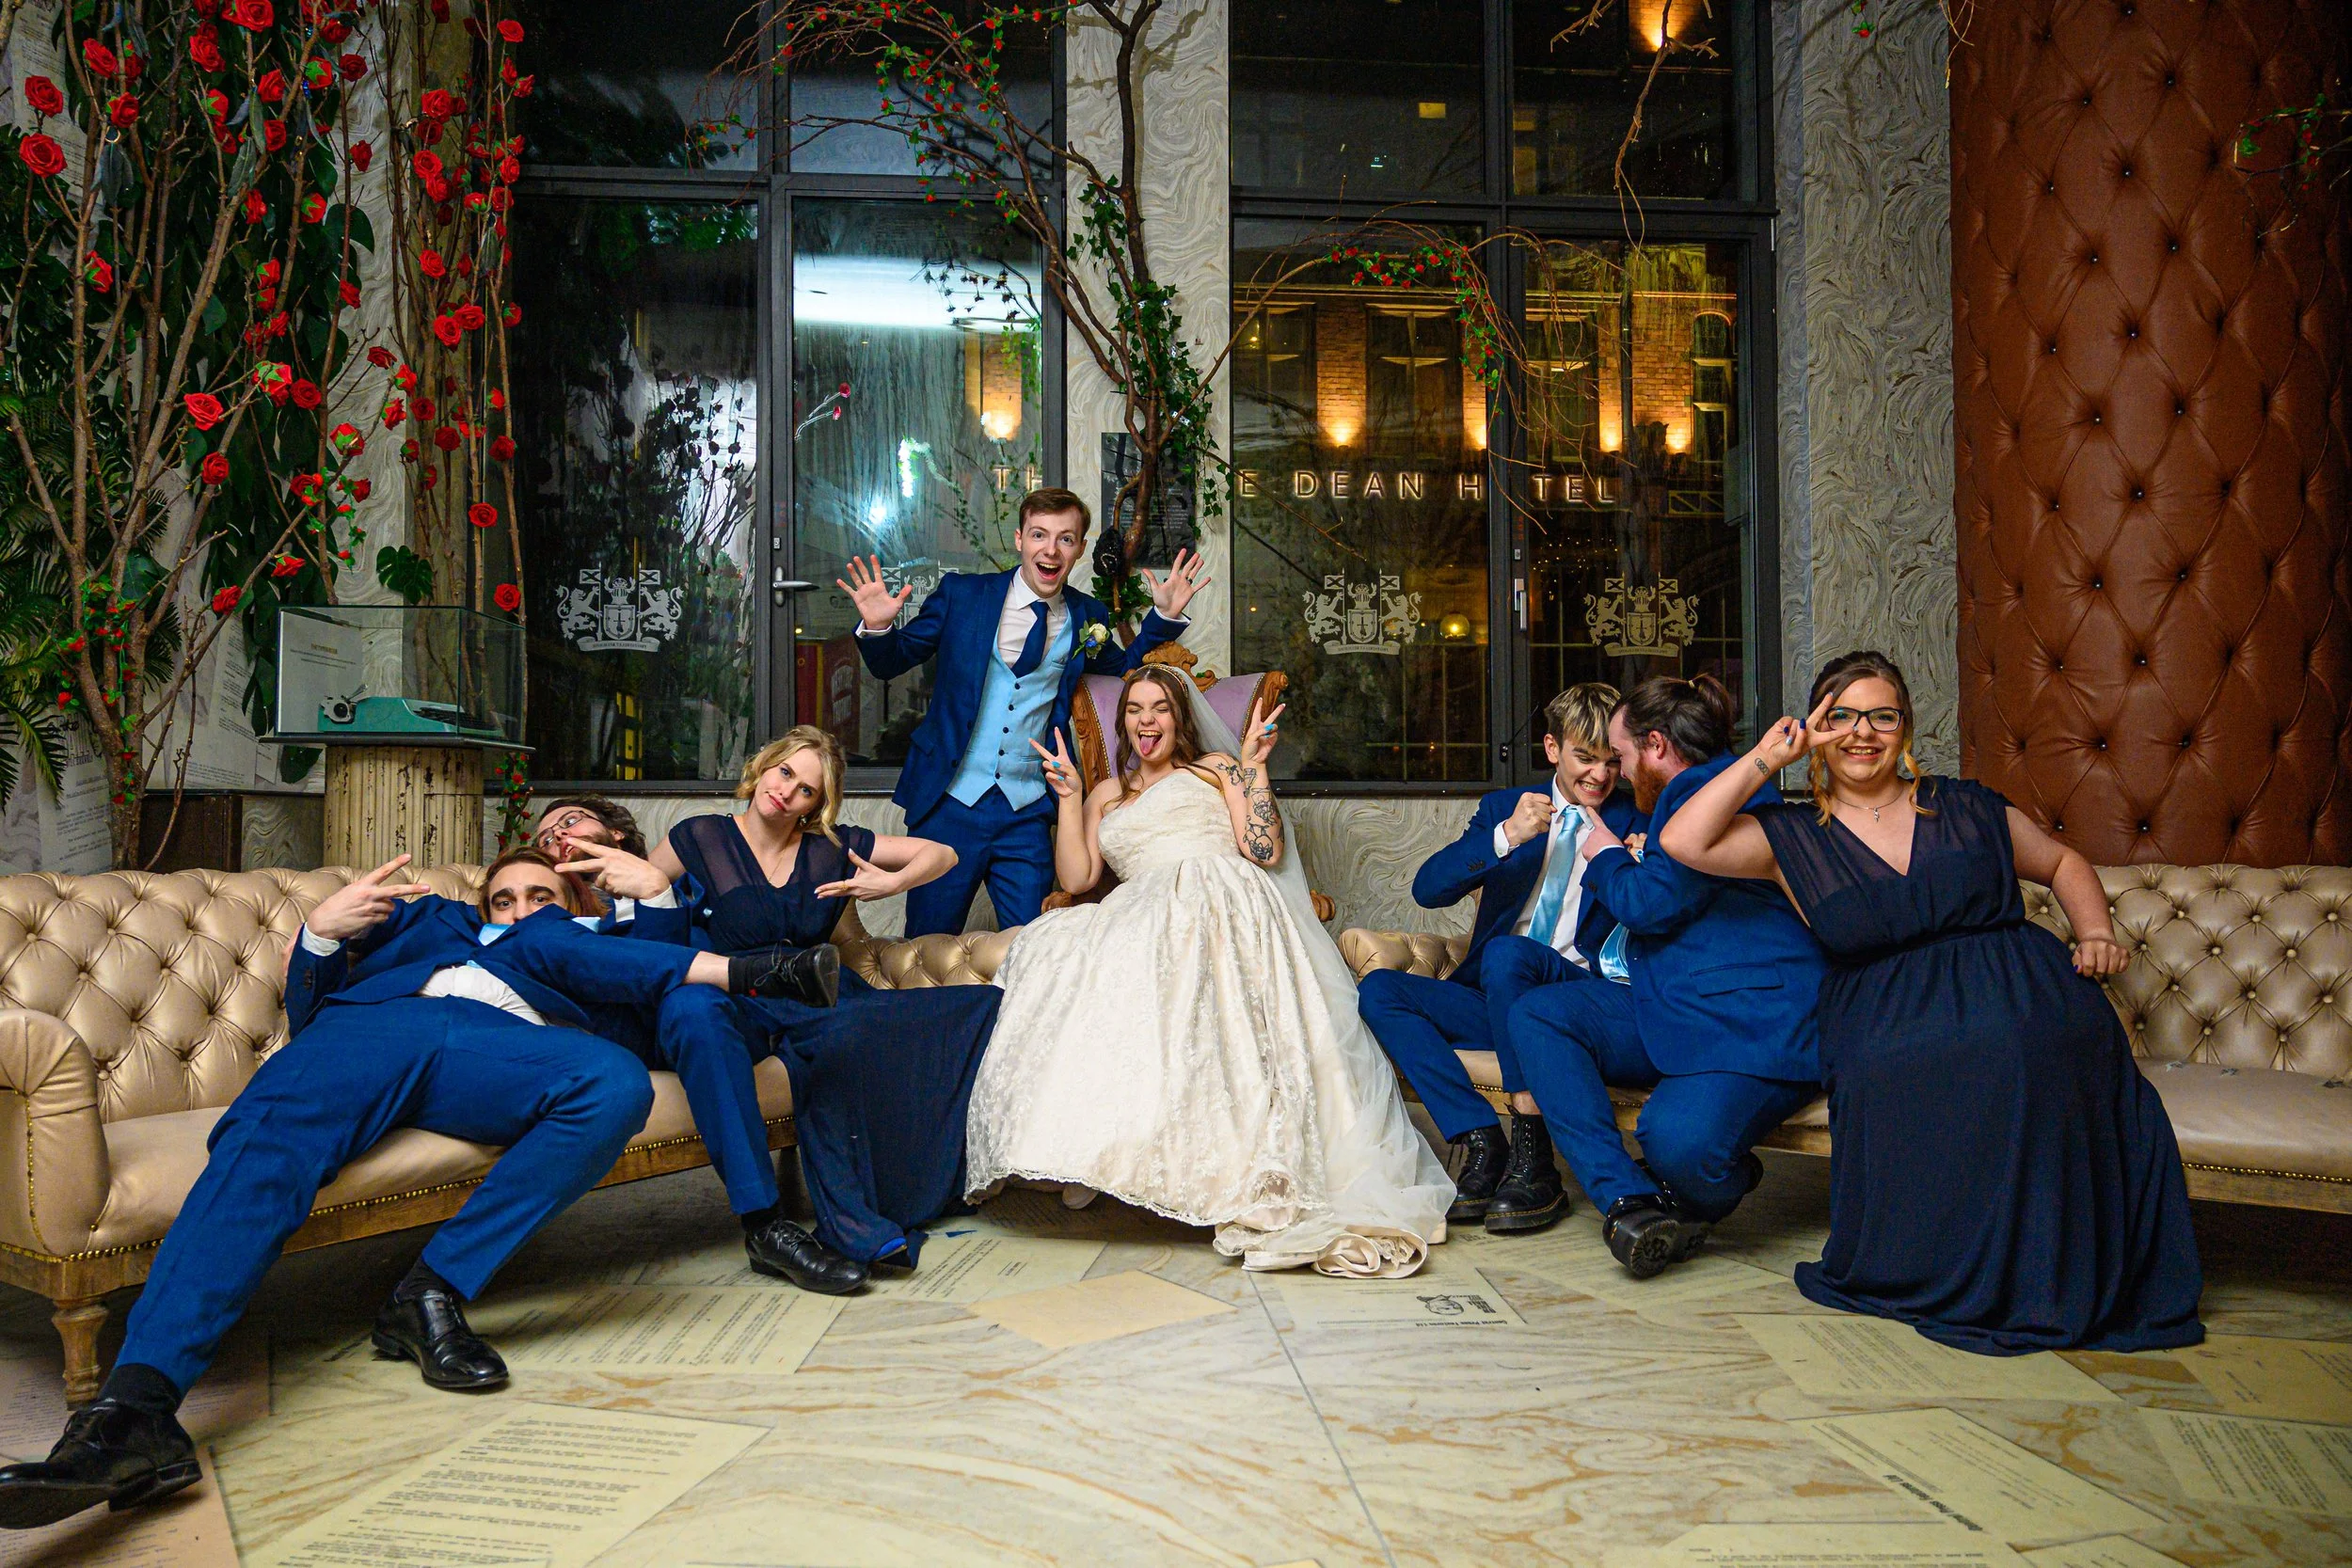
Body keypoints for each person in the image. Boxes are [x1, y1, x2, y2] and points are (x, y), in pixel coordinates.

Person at [0, 849, 793, 1530]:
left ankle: (429, 1290)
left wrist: (652, 893)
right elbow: (309, 1013)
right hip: (374, 1028)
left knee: (614, 1083)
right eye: (504, 898)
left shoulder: (586, 944)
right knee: (268, 1141)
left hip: (506, 1050)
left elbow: (653, 992)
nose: (520, 909)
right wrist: (320, 932)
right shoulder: (425, 924)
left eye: (541, 897)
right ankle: (135, 1411)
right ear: (479, 905)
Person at [1657, 650, 2204, 1354]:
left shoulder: (1967, 805)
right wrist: (1771, 755)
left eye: (1881, 716)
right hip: (1884, 1008)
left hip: (2019, 983)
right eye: (1842, 716)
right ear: (1816, 728)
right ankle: (1954, 1266)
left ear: (1905, 728)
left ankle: (2044, 1271)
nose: (1862, 732)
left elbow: (2063, 862)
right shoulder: (1789, 835)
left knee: (2022, 1051)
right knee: (1923, 1063)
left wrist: (2095, 931)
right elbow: (1681, 839)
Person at [965, 665, 1454, 1275]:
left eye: (1160, 708)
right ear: (1122, 722)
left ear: (1181, 719)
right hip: (1140, 909)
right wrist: (1068, 799)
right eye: (1135, 709)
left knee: (1182, 951)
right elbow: (1077, 877)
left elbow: (1264, 851)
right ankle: (1103, 1151)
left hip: (1221, 897)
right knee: (1060, 951)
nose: (1147, 721)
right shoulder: (1106, 793)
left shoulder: (1216, 769)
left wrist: (1255, 770)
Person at [562, 727, 1003, 1278]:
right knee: (826, 1043)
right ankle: (829, 1222)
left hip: (819, 994)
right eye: (785, 771)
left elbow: (944, 853)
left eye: (807, 790)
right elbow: (642, 911)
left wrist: (890, 885)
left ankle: (921, 1188)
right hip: (738, 994)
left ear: (816, 804)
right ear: (763, 767)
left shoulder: (830, 847)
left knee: (980, 1007)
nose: (787, 791)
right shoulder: (699, 834)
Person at [1507, 675, 1826, 1278]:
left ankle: (1686, 1187)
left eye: (1622, 756)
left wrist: (1602, 851)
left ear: (1656, 745)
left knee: (1678, 1144)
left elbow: (1650, 904)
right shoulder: (1708, 786)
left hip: (1748, 1023)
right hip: (1675, 1005)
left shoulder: (1702, 790)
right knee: (1541, 1013)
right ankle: (1628, 1201)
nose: (1621, 773)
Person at [839, 486, 1205, 936]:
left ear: (1080, 549)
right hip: (949, 803)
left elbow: (1123, 672)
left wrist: (1162, 618)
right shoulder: (963, 595)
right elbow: (892, 662)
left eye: (1065, 539)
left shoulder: (1088, 615)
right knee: (927, 944)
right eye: (1039, 535)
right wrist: (878, 627)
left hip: (1026, 811)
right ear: (1019, 540)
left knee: (1035, 946)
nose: (1050, 550)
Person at [1358, 684, 1641, 1235]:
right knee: (1378, 991)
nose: (1600, 775)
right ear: (1552, 748)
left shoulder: (1638, 817)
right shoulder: (1504, 809)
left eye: (1612, 761)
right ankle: (1481, 1140)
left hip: (1574, 1005)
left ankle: (1533, 1154)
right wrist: (1506, 836)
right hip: (1495, 999)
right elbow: (1427, 891)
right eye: (1585, 758)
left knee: (1510, 953)